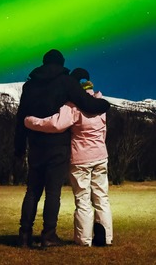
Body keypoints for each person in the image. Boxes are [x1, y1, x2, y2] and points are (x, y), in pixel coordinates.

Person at [14, 50, 111, 248]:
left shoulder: (29, 86)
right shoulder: (65, 82)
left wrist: (19, 147)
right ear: (61, 63)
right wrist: (105, 104)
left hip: (35, 145)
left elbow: (20, 117)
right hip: (58, 146)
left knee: (32, 191)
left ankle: (24, 235)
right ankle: (48, 235)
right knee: (53, 193)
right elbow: (87, 103)